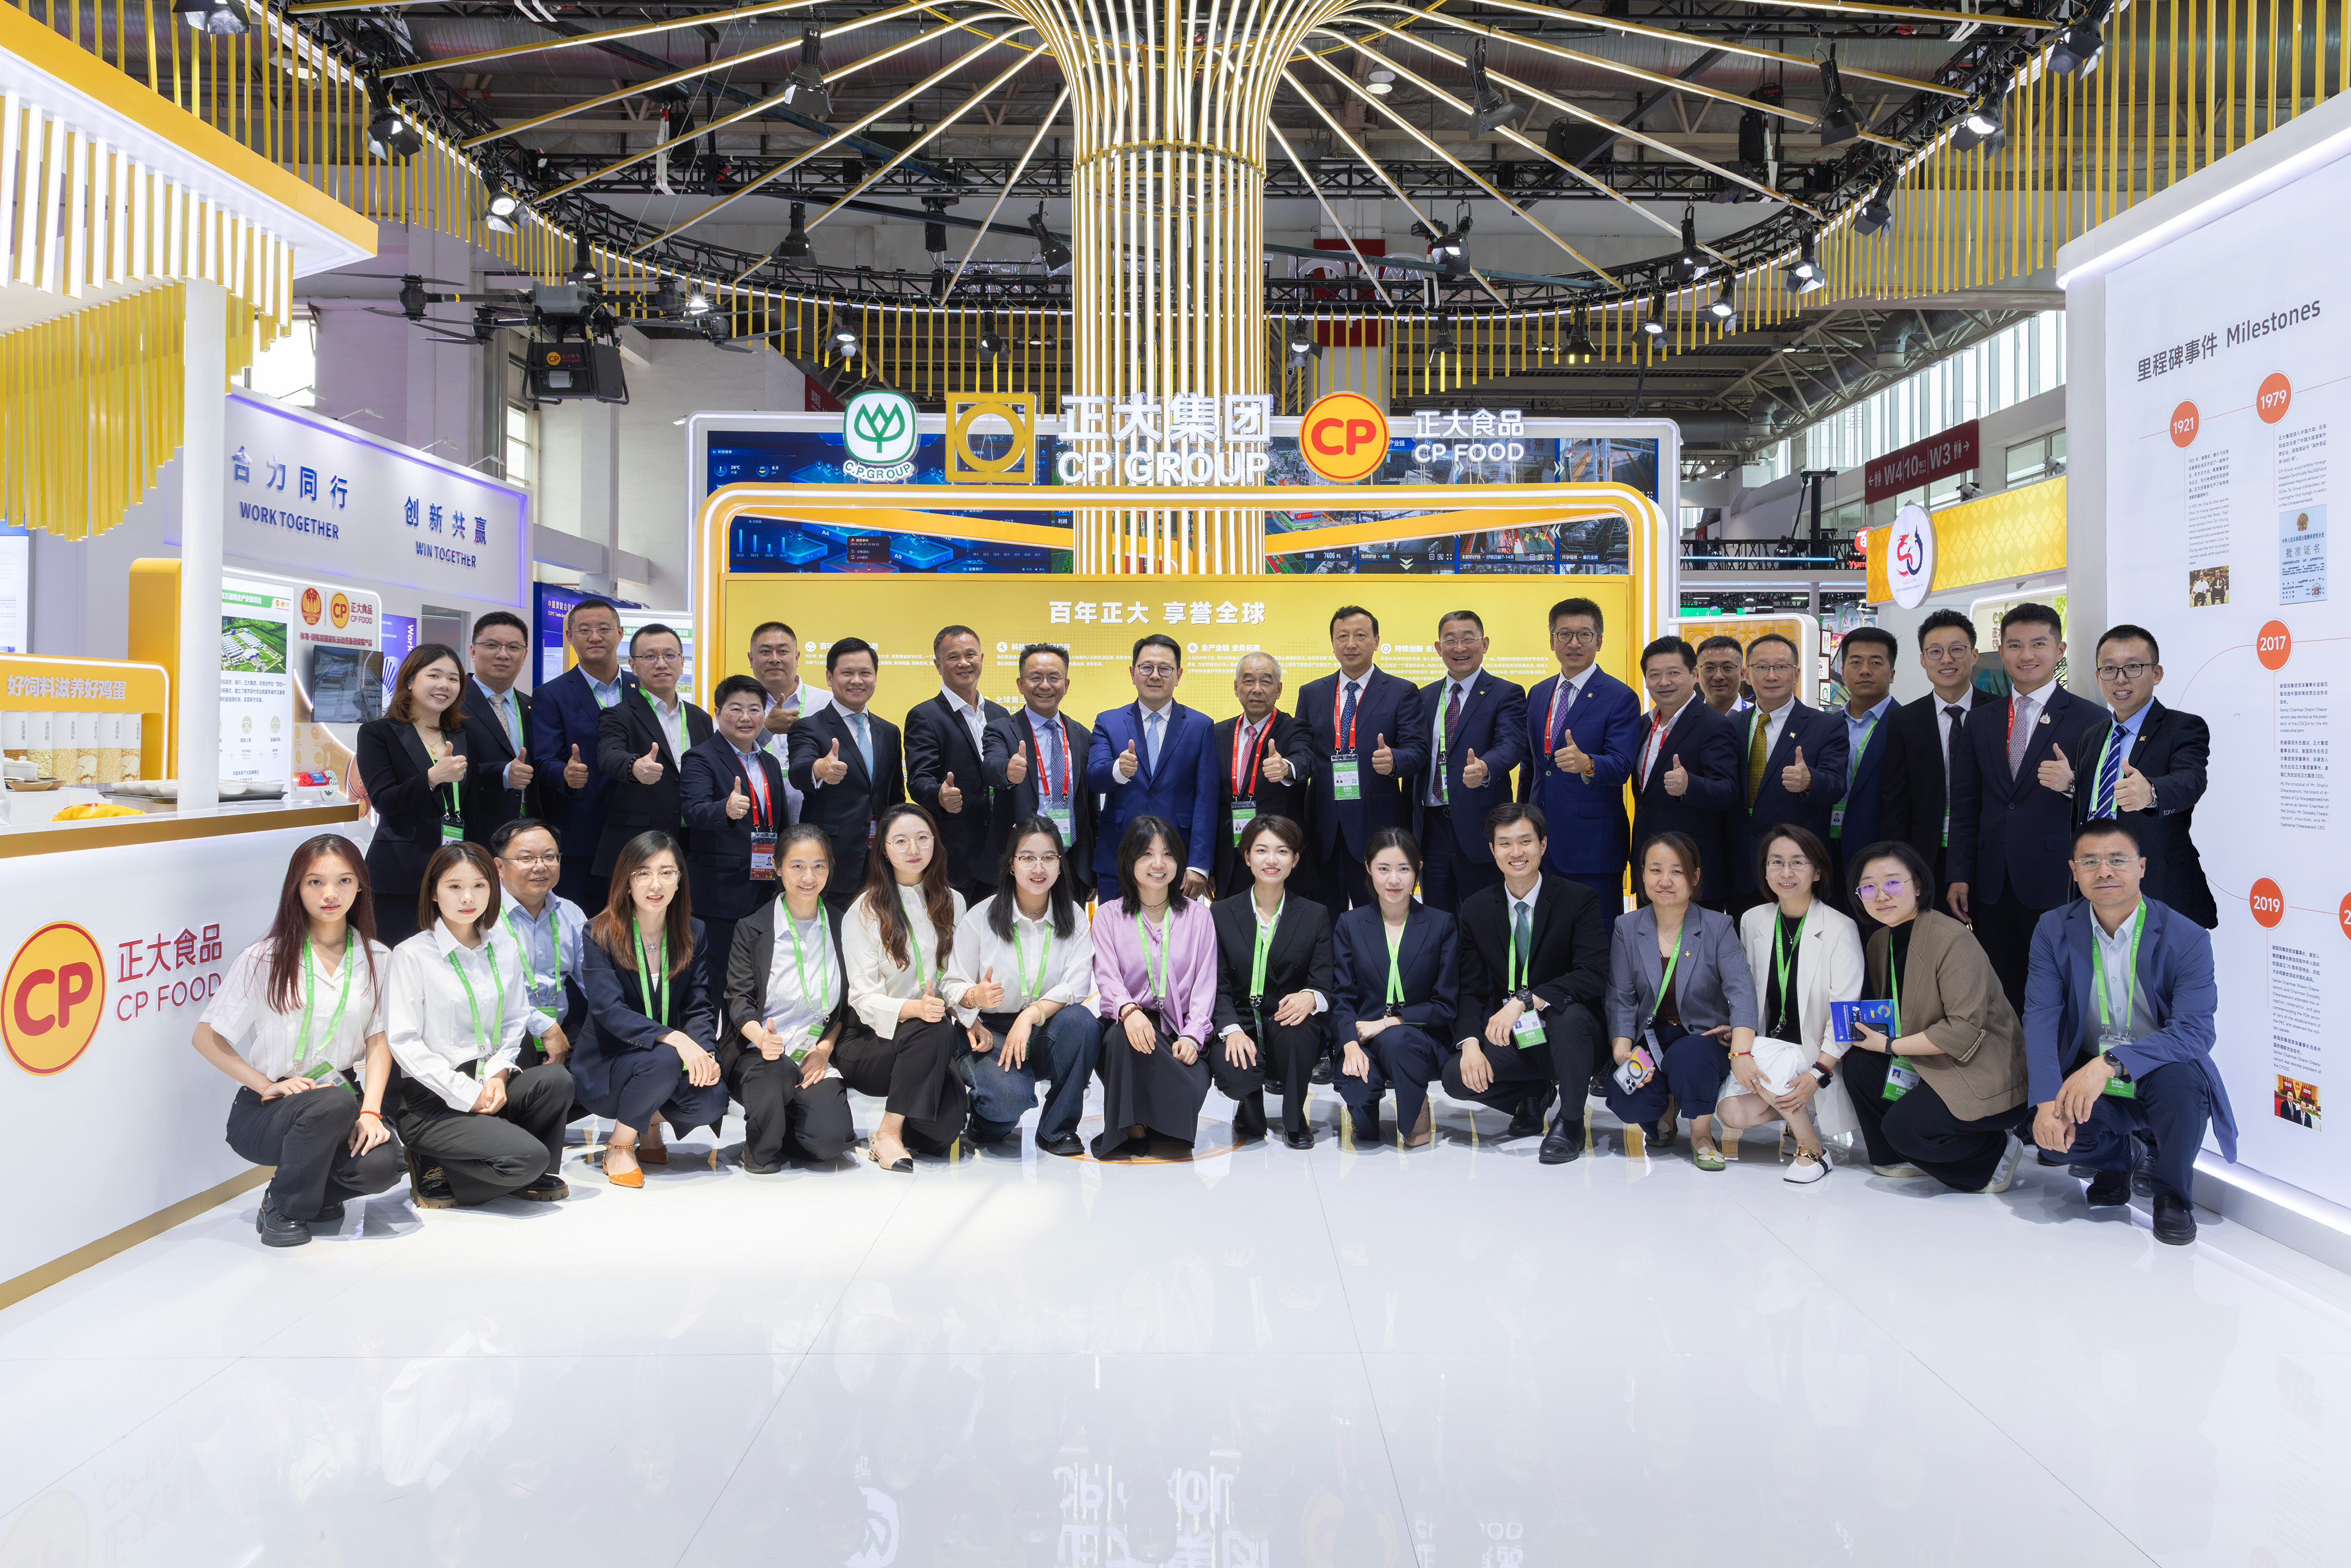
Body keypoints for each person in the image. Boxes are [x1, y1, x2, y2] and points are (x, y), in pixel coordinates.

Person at [2024, 821, 2233, 1245]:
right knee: (2052, 1140)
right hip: (2088, 1066)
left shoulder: (2187, 936)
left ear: (2141, 867)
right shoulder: (2052, 928)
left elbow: (2194, 1032)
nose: (2104, 871)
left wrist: (2110, 1064)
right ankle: (2120, 1158)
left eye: (2117, 860)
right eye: (2090, 862)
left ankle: (2172, 1196)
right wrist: (2046, 1103)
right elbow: (2041, 1017)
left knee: (2183, 1087)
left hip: (2160, 1066)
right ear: (2074, 870)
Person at [192, 835, 404, 1246]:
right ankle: (285, 1207)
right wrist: (264, 1085)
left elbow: (378, 1040)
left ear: (361, 886)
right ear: (296, 888)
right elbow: (206, 1038)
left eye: (344, 881)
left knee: (385, 1164)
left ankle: (310, 1192)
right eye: (315, 882)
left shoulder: (378, 958)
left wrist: (371, 1112)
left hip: (344, 1098)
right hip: (269, 1108)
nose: (330, 894)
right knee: (331, 1102)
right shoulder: (264, 958)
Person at [385, 843, 577, 1208]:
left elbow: (516, 1019)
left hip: (489, 1082)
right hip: (435, 1099)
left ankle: (515, 1168)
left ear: (493, 889)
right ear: (434, 893)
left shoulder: (504, 946)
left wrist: (498, 1074)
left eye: (479, 885)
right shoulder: (412, 954)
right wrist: (464, 1092)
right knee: (529, 1159)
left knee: (556, 1080)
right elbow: (404, 1040)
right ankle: (436, 1162)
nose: (468, 898)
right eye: (454, 886)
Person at [1841, 840, 2030, 1193]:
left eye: (1893, 883)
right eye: (1868, 887)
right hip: (1925, 1060)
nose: (1881, 895)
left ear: (1918, 886)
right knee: (1859, 1066)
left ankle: (1993, 1152)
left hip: (1978, 1066)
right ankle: (1898, 1156)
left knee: (1905, 1129)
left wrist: (1891, 1045)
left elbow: (1963, 1030)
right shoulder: (1879, 940)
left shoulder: (1952, 938)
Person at [1946, 603, 2106, 1013]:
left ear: (2060, 650)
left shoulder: (2091, 718)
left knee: (2059, 991)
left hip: (2055, 879)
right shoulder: (1980, 720)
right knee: (2000, 992)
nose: (2026, 655)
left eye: (2039, 644)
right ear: (2001, 651)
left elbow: (2105, 807)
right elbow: (1965, 804)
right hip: (1991, 884)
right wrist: (1959, 873)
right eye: (2015, 645)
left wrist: (2072, 786)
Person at [1445, 803, 1609, 1165]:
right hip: (1518, 1037)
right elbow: (1471, 989)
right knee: (1456, 1076)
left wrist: (1526, 1000)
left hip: (1574, 1037)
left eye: (1525, 841)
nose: (1516, 852)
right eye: (1505, 843)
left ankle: (1570, 1122)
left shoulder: (1578, 899)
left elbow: (1593, 973)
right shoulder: (1476, 908)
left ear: (1543, 845)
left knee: (1570, 1018)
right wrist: (1470, 1044)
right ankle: (1531, 1095)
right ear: (1492, 850)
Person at [571, 830, 730, 1186]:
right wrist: (676, 1039)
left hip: (665, 1061)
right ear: (626, 881)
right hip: (610, 1063)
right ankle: (620, 1145)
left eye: (666, 873)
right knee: (666, 1058)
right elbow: (609, 1010)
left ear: (679, 880)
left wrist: (705, 1052)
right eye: (643, 873)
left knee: (712, 1098)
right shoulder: (599, 932)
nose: (655, 884)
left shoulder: (694, 932)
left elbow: (699, 1006)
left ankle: (647, 1121)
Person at [942, 818, 1101, 1157]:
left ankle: (1057, 1129)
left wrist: (1030, 1015)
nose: (1038, 868)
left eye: (1048, 858)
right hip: (990, 1030)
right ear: (1012, 864)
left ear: (1060, 863)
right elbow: (952, 983)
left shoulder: (1073, 916)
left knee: (1084, 1023)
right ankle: (985, 1119)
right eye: (1027, 858)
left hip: (1044, 1026)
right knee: (1006, 1105)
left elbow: (1077, 984)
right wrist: (974, 998)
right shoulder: (982, 916)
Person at [1720, 825, 1865, 1185]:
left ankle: (1809, 1146)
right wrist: (1737, 1033)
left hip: (1816, 1051)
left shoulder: (1841, 927)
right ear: (1765, 870)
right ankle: (1800, 1114)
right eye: (1776, 862)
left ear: (1817, 872)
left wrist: (1820, 1071)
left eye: (1798, 863)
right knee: (1732, 1113)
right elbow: (1742, 991)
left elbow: (1845, 1011)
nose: (1786, 872)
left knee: (1769, 1068)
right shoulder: (1753, 920)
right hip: (1766, 1046)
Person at [1603, 833, 1756, 1169]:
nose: (1665, 881)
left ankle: (1701, 1135)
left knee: (1689, 1057)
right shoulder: (1627, 926)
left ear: (1695, 876)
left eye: (1677, 871)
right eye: (1656, 870)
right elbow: (1621, 997)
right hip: (1651, 1037)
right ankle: (1665, 1109)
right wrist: (1622, 1050)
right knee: (1625, 1097)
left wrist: (1741, 1050)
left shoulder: (1718, 926)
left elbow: (1741, 991)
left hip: (1703, 1038)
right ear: (1642, 875)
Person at [838, 802, 969, 1170]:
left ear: (935, 843)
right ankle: (888, 1132)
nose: (914, 849)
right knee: (933, 1026)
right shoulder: (864, 910)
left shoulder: (953, 901)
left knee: (943, 1132)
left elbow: (956, 976)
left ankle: (907, 1113)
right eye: (901, 841)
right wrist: (914, 1009)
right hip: (870, 1041)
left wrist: (971, 1010)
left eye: (923, 838)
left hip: (933, 1038)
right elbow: (862, 998)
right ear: (884, 849)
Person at [721, 824, 856, 1171]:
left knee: (830, 1142)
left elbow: (847, 1007)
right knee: (775, 1073)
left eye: (818, 866)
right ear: (777, 868)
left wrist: (824, 1049)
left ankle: (782, 1123)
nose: (808, 877)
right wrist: (761, 1039)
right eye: (797, 866)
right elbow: (738, 999)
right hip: (759, 1055)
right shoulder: (752, 928)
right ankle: (760, 1146)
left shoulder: (845, 927)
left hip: (813, 1055)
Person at [1090, 815, 1220, 1159]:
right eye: (1147, 854)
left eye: (1168, 854)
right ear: (1129, 860)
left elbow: (1206, 985)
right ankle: (1131, 1128)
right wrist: (1128, 1010)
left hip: (1179, 1031)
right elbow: (1107, 978)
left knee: (1187, 1094)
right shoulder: (1108, 915)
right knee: (1121, 1037)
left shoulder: (1199, 917)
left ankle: (1155, 1117)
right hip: (1130, 1023)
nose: (1159, 864)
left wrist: (1193, 1036)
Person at [2071, 625, 2216, 928]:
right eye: (2109, 669)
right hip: (2096, 890)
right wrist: (2070, 786)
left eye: (2133, 667)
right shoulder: (2091, 737)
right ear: (2098, 677)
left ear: (2157, 673)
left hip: (2159, 889)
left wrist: (2151, 793)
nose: (2120, 678)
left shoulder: (2183, 727)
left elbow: (2191, 781)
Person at [1209, 815, 1334, 1148]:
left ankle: (1295, 1119)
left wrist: (1311, 996)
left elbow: (1324, 983)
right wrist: (1231, 1030)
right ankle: (1249, 1109)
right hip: (1241, 1024)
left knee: (1299, 1028)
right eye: (1262, 850)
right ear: (1247, 857)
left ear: (1295, 859)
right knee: (1237, 1077)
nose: (1272, 859)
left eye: (1282, 851)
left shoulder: (1315, 914)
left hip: (1287, 1023)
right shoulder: (1220, 913)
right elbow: (1216, 986)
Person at [1329, 828, 1458, 1149]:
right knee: (1359, 1097)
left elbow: (1445, 1004)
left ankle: (1415, 1103)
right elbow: (1342, 996)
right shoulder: (1350, 924)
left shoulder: (1441, 923)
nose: (1394, 880)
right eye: (1384, 869)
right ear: (1368, 868)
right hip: (1363, 1037)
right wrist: (1350, 1044)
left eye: (1404, 869)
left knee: (1397, 1040)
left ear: (1418, 869)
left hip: (1419, 1038)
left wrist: (1390, 1022)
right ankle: (1367, 1107)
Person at [1298, 607, 1426, 910]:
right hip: (1323, 828)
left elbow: (1418, 750)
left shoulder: (1401, 691)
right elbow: (1303, 750)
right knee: (1322, 918)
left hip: (1376, 827)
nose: (1351, 644)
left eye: (1360, 635)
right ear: (1333, 643)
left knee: (1377, 917)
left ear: (1377, 641)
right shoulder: (1312, 693)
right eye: (1342, 636)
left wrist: (1395, 760)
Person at [356, 643, 483, 946]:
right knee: (397, 958)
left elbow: (472, 799)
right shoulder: (378, 733)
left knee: (450, 958)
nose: (445, 685)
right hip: (400, 873)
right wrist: (432, 778)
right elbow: (385, 801)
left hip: (454, 871)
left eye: (453, 679)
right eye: (434, 675)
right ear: (410, 681)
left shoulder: (462, 736)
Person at [1518, 596, 1641, 902]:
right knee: (1546, 930)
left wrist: (1588, 763)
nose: (1574, 643)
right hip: (1541, 844)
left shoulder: (1620, 696)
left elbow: (1622, 766)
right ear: (1552, 641)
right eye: (1565, 634)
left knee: (1596, 929)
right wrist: (1522, 821)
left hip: (1592, 847)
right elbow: (1531, 766)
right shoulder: (1538, 693)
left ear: (1599, 641)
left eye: (1584, 635)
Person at [1086, 634, 1219, 905]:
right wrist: (1118, 770)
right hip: (1118, 858)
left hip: (1178, 860)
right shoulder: (1108, 721)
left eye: (1165, 669)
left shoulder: (1201, 725)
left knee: (1177, 931)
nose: (1155, 675)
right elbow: (1094, 778)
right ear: (1132, 673)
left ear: (1178, 675)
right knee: (1116, 930)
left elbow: (1207, 799)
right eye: (1146, 668)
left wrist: (1199, 865)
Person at [681, 674, 790, 998]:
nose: (746, 717)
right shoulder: (700, 757)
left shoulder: (769, 762)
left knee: (758, 978)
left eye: (755, 709)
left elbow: (779, 822)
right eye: (736, 709)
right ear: (717, 713)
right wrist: (725, 810)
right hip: (720, 893)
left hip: (765, 889)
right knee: (718, 982)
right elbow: (692, 811)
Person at [1413, 610, 1527, 913]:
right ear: (1439, 648)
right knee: (1436, 918)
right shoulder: (1423, 697)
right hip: (1431, 830)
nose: (1460, 648)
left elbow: (1512, 744)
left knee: (1486, 918)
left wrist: (1486, 767)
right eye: (1451, 641)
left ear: (1485, 644)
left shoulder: (1506, 693)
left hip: (1481, 826)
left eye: (1468, 639)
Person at [1729, 632, 1847, 912]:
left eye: (1781, 667)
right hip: (1741, 868)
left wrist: (1810, 781)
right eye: (1761, 667)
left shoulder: (1825, 725)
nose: (1771, 676)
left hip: (1797, 867)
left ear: (1796, 675)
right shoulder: (1732, 725)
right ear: (1747, 675)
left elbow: (1836, 784)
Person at [788, 638, 908, 914]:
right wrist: (819, 769)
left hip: (882, 861)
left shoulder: (889, 731)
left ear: (875, 678)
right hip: (833, 859)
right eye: (847, 673)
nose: (857, 680)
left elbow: (894, 797)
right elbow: (799, 770)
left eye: (865, 673)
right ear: (830, 677)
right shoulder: (809, 727)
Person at [529, 596, 632, 914]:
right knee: (581, 922)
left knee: (637, 921)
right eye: (584, 630)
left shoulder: (641, 689)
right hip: (582, 831)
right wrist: (564, 774)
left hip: (637, 829)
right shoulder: (551, 695)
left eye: (604, 629)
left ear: (620, 633)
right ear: (570, 637)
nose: (595, 637)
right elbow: (543, 762)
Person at [1625, 636, 1740, 909]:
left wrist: (1690, 786)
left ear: (1694, 675)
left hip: (1692, 867)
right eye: (1655, 675)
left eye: (1674, 673)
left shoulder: (1714, 725)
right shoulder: (1641, 725)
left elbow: (1728, 791)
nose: (1664, 682)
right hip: (1649, 865)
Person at [594, 623, 714, 880]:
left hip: (695, 841)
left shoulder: (700, 718)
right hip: (641, 842)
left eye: (670, 655)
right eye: (649, 657)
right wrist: (634, 766)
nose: (661, 664)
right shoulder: (618, 715)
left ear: (682, 662)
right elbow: (608, 755)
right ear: (633, 665)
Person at [1881, 608, 1984, 899]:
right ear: (1923, 660)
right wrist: (1897, 865)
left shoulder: (1998, 712)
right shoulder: (1904, 721)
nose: (1947, 659)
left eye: (1957, 649)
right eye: (1935, 651)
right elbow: (1895, 802)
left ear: (1974, 655)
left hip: (1986, 851)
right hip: (1924, 855)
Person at [984, 643, 1096, 905]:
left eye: (1054, 677)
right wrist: (1007, 771)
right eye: (1035, 677)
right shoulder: (1001, 729)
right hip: (1019, 862)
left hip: (1072, 863)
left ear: (1066, 685)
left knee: (1070, 928)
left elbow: (1091, 808)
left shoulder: (1082, 735)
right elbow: (991, 766)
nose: (1045, 685)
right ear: (1021, 684)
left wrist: (1091, 871)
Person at [906, 624, 1008, 903]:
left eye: (970, 655)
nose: (964, 663)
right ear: (938, 666)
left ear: (982, 659)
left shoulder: (1000, 714)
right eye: (953, 657)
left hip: (999, 852)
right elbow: (919, 779)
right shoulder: (925, 716)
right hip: (954, 854)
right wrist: (939, 795)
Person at [1212, 651, 1316, 898]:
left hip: (1278, 858)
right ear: (1236, 688)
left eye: (1266, 682)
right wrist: (1208, 865)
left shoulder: (1295, 728)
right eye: (1248, 681)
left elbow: (1305, 759)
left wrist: (1286, 768)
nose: (1256, 689)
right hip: (1229, 860)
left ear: (1279, 690)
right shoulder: (1217, 733)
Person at [487, 818, 585, 1068]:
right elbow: (486, 995)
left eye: (549, 857)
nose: (540, 866)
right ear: (499, 867)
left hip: (561, 1034)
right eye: (526, 858)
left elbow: (594, 982)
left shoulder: (571, 913)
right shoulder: (483, 915)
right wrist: (543, 1026)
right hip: (499, 1037)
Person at [1825, 626, 1900, 901]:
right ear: (1843, 672)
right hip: (1825, 848)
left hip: (1879, 851)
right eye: (1856, 662)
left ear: (1892, 673)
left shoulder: (1908, 726)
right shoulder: (1824, 726)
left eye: (1876, 663)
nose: (1865, 671)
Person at [459, 611, 537, 848]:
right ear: (473, 651)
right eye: (492, 645)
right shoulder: (453, 704)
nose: (503, 654)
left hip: (528, 832)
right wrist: (503, 774)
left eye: (513, 647)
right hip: (474, 833)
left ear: (524, 656)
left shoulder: (533, 706)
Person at [748, 619, 829, 824]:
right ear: (751, 659)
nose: (774, 659)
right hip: (755, 822)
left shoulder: (827, 703)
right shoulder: (737, 706)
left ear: (797, 657)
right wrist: (766, 729)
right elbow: (723, 755)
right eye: (765, 652)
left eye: (783, 651)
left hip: (817, 823)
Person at [1696, 634, 1749, 717]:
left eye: (1727, 667)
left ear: (1742, 674)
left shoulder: (1759, 717)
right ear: (1697, 675)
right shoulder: (1685, 721)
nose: (1718, 676)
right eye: (1709, 668)